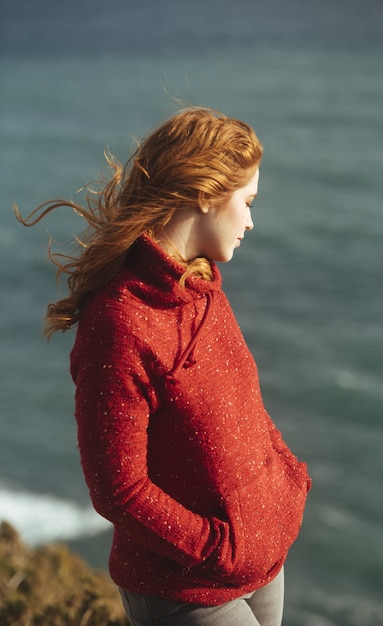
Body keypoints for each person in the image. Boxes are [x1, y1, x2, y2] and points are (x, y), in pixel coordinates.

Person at [16, 107, 311, 626]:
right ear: (205, 193)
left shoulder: (201, 288)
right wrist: (218, 547)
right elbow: (117, 489)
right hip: (187, 588)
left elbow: (245, 406)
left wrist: (286, 481)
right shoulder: (119, 323)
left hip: (263, 564)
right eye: (247, 202)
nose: (250, 221)